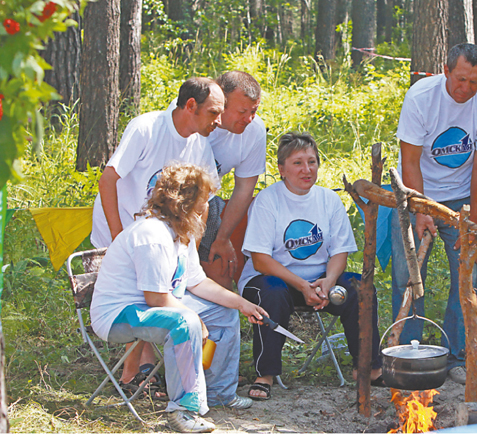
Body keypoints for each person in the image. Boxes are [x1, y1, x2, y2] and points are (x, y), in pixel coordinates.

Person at [90, 78, 253, 409]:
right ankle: (136, 380)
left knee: (198, 307)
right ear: (190, 106)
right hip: (125, 229)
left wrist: (189, 239)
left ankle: (199, 388)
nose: (218, 121)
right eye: (213, 112)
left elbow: (205, 200)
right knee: (155, 303)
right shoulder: (147, 127)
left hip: (168, 232)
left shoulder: (199, 145)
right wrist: (121, 237)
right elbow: (108, 180)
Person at [90, 164, 268, 433]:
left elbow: (196, 282)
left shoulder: (181, 234)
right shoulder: (152, 235)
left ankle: (220, 393)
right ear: (185, 203)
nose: (208, 207)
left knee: (224, 312)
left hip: (155, 305)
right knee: (185, 322)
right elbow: (155, 298)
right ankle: (183, 410)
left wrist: (241, 303)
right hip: (118, 314)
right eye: (204, 200)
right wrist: (195, 317)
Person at [391, 43, 477, 385]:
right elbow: (410, 160)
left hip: (460, 200)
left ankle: (456, 355)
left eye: (474, 81)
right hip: (416, 193)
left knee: (464, 277)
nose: (465, 88)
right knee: (407, 274)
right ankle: (409, 351)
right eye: (460, 79)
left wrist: (472, 218)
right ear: (445, 71)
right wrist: (419, 208)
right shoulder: (421, 98)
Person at [238, 133, 383, 400]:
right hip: (272, 278)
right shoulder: (268, 201)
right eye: (297, 163)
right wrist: (302, 285)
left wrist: (328, 281)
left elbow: (340, 252)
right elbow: (260, 260)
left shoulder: (329, 200)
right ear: (281, 169)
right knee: (272, 292)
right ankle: (265, 375)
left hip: (319, 282)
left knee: (361, 288)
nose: (307, 170)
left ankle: (368, 368)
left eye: (312, 162)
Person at [197, 71, 266, 290]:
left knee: (221, 269)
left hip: (208, 204)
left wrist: (223, 237)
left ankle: (221, 322)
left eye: (254, 111)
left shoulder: (254, 131)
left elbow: (244, 189)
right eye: (242, 111)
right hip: (169, 206)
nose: (249, 119)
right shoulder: (192, 116)